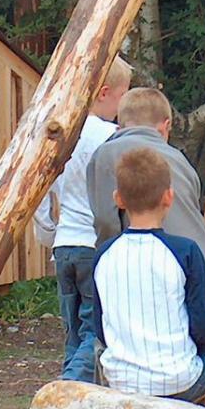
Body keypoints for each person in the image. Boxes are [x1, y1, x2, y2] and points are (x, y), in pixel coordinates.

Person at [89, 147, 205, 409]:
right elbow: (204, 324)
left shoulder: (103, 254)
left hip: (122, 382)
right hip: (178, 380)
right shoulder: (185, 252)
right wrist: (195, 352)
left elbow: (100, 327)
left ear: (118, 199)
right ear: (169, 197)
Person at [33, 55, 132, 382]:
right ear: (104, 93)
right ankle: (68, 386)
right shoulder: (111, 137)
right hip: (95, 245)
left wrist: (51, 233)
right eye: (122, 96)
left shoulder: (60, 134)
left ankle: (70, 394)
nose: (122, 106)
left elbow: (41, 193)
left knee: (73, 333)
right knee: (95, 330)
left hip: (65, 246)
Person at [86, 87, 205, 282]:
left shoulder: (107, 154)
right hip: (202, 262)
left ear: (119, 127)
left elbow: (106, 220)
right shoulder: (179, 159)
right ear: (166, 126)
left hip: (157, 267)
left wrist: (108, 263)